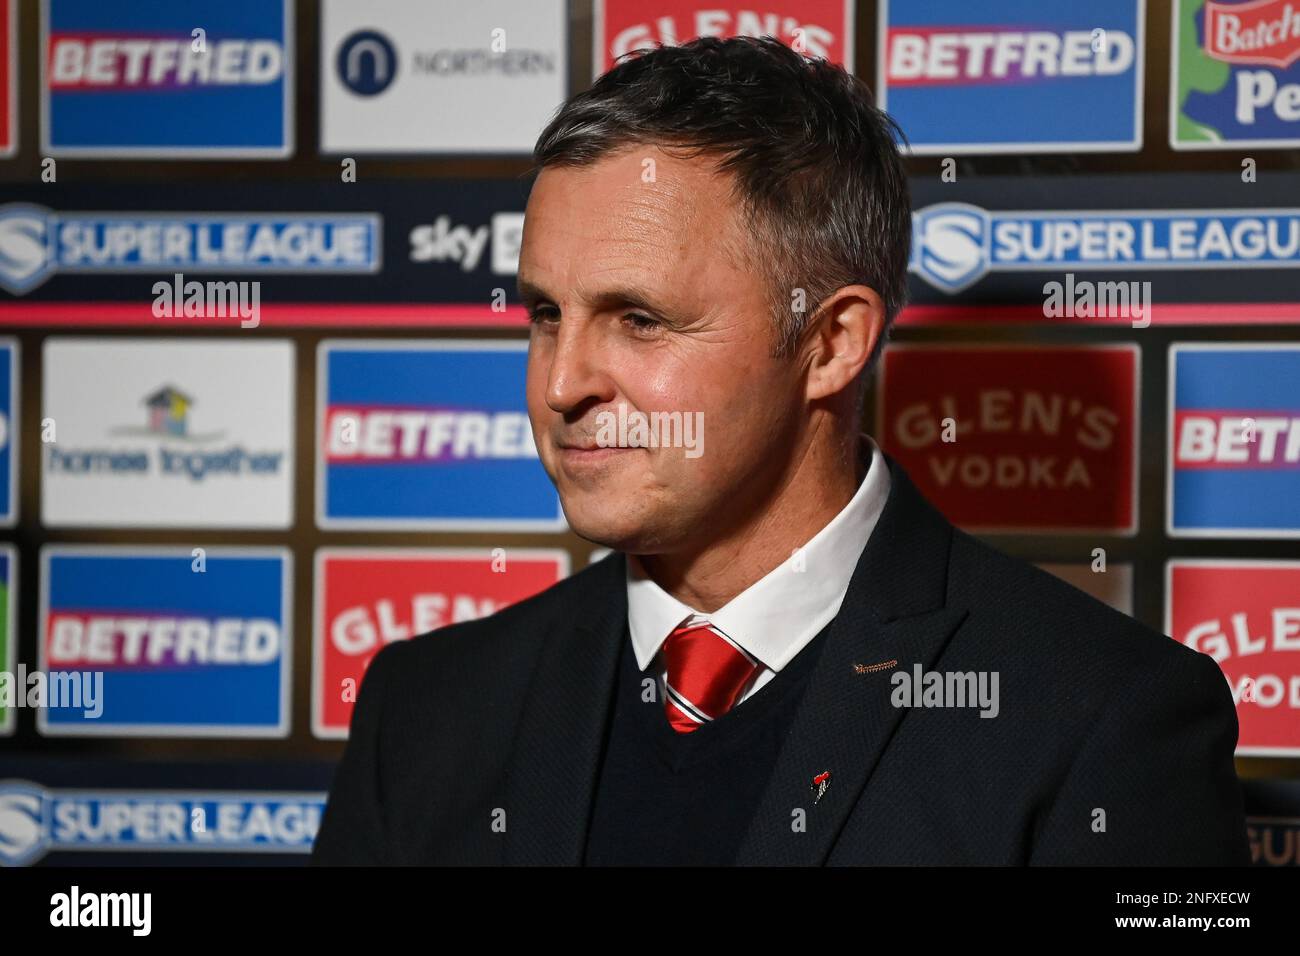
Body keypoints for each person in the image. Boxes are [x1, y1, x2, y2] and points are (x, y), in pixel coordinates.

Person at [312, 35, 1249, 866]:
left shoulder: (1103, 723)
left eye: (640, 320)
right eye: (546, 315)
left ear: (832, 342)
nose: (562, 384)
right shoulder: (427, 710)